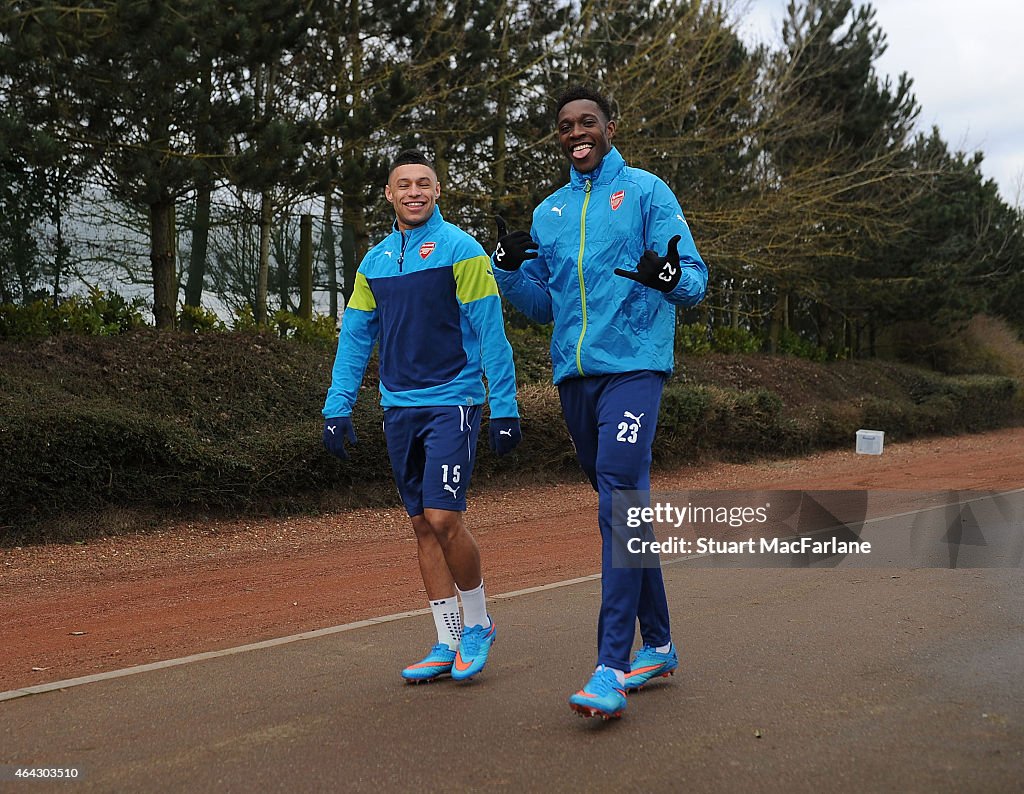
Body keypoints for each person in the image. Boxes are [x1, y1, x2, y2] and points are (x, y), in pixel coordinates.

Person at [491, 86, 708, 718]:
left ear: (612, 126)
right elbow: (544, 306)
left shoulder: (645, 192)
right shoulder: (549, 213)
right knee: (625, 506)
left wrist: (671, 277)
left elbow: (692, 280)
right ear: (559, 137)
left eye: (588, 122)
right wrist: (508, 272)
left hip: (636, 367)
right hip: (575, 378)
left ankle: (611, 665)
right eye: (565, 126)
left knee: (618, 497)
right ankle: (660, 643)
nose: (577, 133)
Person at [322, 148, 521, 684]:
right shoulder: (374, 262)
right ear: (389, 194)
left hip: (453, 401)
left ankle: (478, 625)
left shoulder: (463, 250)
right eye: (403, 184)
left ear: (437, 191)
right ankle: (447, 639)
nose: (414, 191)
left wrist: (503, 406)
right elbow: (356, 340)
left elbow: (490, 334)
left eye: (424, 183)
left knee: (443, 517)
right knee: (420, 526)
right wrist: (337, 407)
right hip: (397, 408)